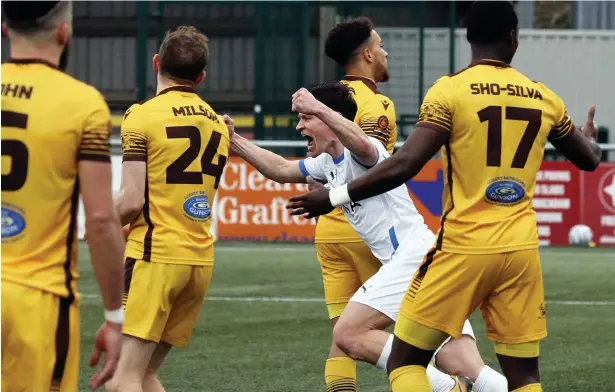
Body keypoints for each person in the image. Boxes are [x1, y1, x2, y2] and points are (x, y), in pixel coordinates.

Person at [286, 2, 602, 391]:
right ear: (513, 38)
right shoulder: (543, 97)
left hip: (463, 246)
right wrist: (589, 138)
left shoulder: (449, 90)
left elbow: (404, 165)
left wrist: (334, 197)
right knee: (523, 376)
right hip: (520, 250)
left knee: (404, 358)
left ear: (468, 38)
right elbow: (588, 160)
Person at [229, 83, 506, 392]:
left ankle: (449, 389)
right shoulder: (325, 163)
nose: (299, 125)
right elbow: (280, 168)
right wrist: (235, 141)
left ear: (329, 119)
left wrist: (317, 106)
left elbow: (362, 146)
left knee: (348, 333)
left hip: (411, 259)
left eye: (306, 117)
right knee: (466, 366)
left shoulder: (363, 149)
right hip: (428, 260)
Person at [1, 1, 125, 391]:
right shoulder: (82, 104)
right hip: (37, 301)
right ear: (63, 32)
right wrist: (115, 317)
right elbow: (102, 220)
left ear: (6, 30)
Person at [106, 26, 229, 392]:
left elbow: (130, 202)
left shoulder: (141, 116)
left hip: (155, 256)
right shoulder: (217, 125)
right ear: (201, 76)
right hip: (198, 261)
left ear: (157, 62)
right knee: (144, 375)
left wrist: (97, 228)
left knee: (121, 379)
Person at [318, 17, 399, 392]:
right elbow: (367, 166)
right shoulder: (375, 104)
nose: (385, 52)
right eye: (380, 45)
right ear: (367, 54)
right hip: (365, 231)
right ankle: (451, 381)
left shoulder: (324, 100)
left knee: (343, 337)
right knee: (420, 325)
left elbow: (318, 166)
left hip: (329, 233)